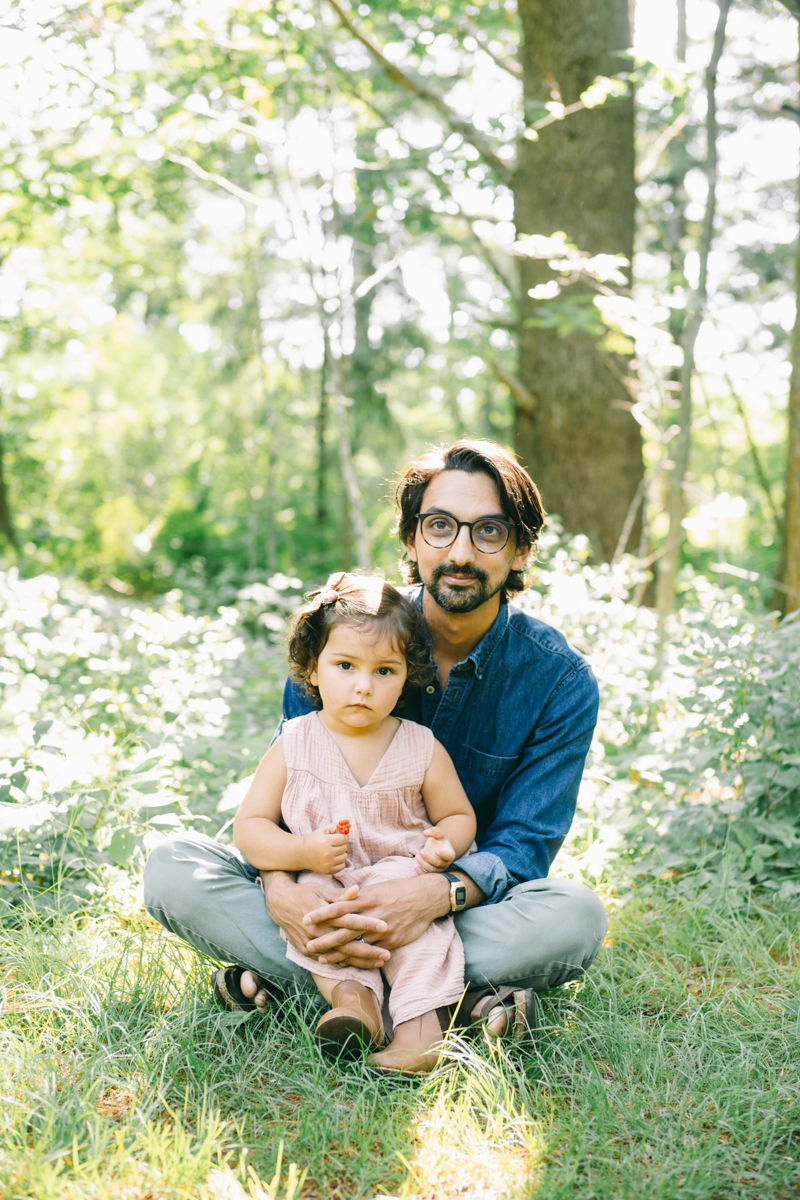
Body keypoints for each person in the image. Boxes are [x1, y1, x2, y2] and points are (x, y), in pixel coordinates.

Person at [143, 438, 607, 1042]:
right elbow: (282, 820)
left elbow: (521, 847)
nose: (461, 551)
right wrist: (283, 896)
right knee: (171, 868)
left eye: (488, 532)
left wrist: (428, 897)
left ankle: (306, 982)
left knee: (575, 917)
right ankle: (440, 999)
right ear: (412, 540)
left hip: (457, 909)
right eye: (440, 526)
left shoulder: (559, 681)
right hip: (322, 894)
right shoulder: (341, 640)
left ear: (520, 550)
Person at [233, 571, 477, 1073]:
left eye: (384, 671)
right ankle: (354, 1007)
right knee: (323, 926)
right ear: (313, 669)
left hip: (399, 878)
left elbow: (458, 814)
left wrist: (443, 848)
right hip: (325, 884)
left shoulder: (419, 745)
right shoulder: (295, 742)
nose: (363, 687)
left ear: (406, 674)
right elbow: (251, 828)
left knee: (423, 939)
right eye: (345, 665)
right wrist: (301, 855)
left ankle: (419, 1032)